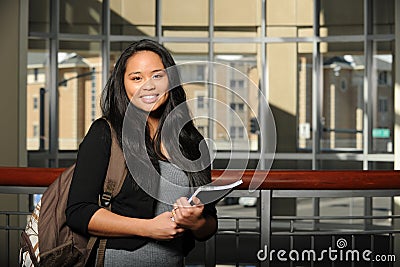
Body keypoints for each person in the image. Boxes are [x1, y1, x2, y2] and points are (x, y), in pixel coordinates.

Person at [66, 39, 217, 266]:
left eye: (157, 76)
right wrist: (148, 229)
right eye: (137, 78)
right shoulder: (105, 133)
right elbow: (78, 212)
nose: (148, 85)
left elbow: (209, 225)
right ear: (123, 85)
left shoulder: (191, 140)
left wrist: (195, 222)